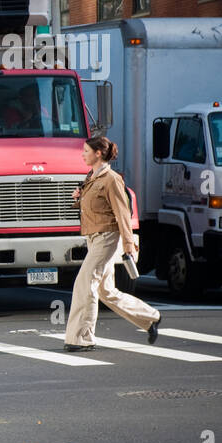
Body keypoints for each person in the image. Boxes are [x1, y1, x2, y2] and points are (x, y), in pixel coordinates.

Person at [64, 136, 161, 351]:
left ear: (98, 153)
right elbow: (94, 206)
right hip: (93, 237)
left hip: (107, 237)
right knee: (105, 291)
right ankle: (150, 318)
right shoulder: (92, 177)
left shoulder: (112, 179)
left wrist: (129, 244)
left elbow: (122, 214)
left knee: (84, 283)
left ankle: (81, 338)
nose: (83, 154)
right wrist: (78, 199)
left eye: (86, 151)